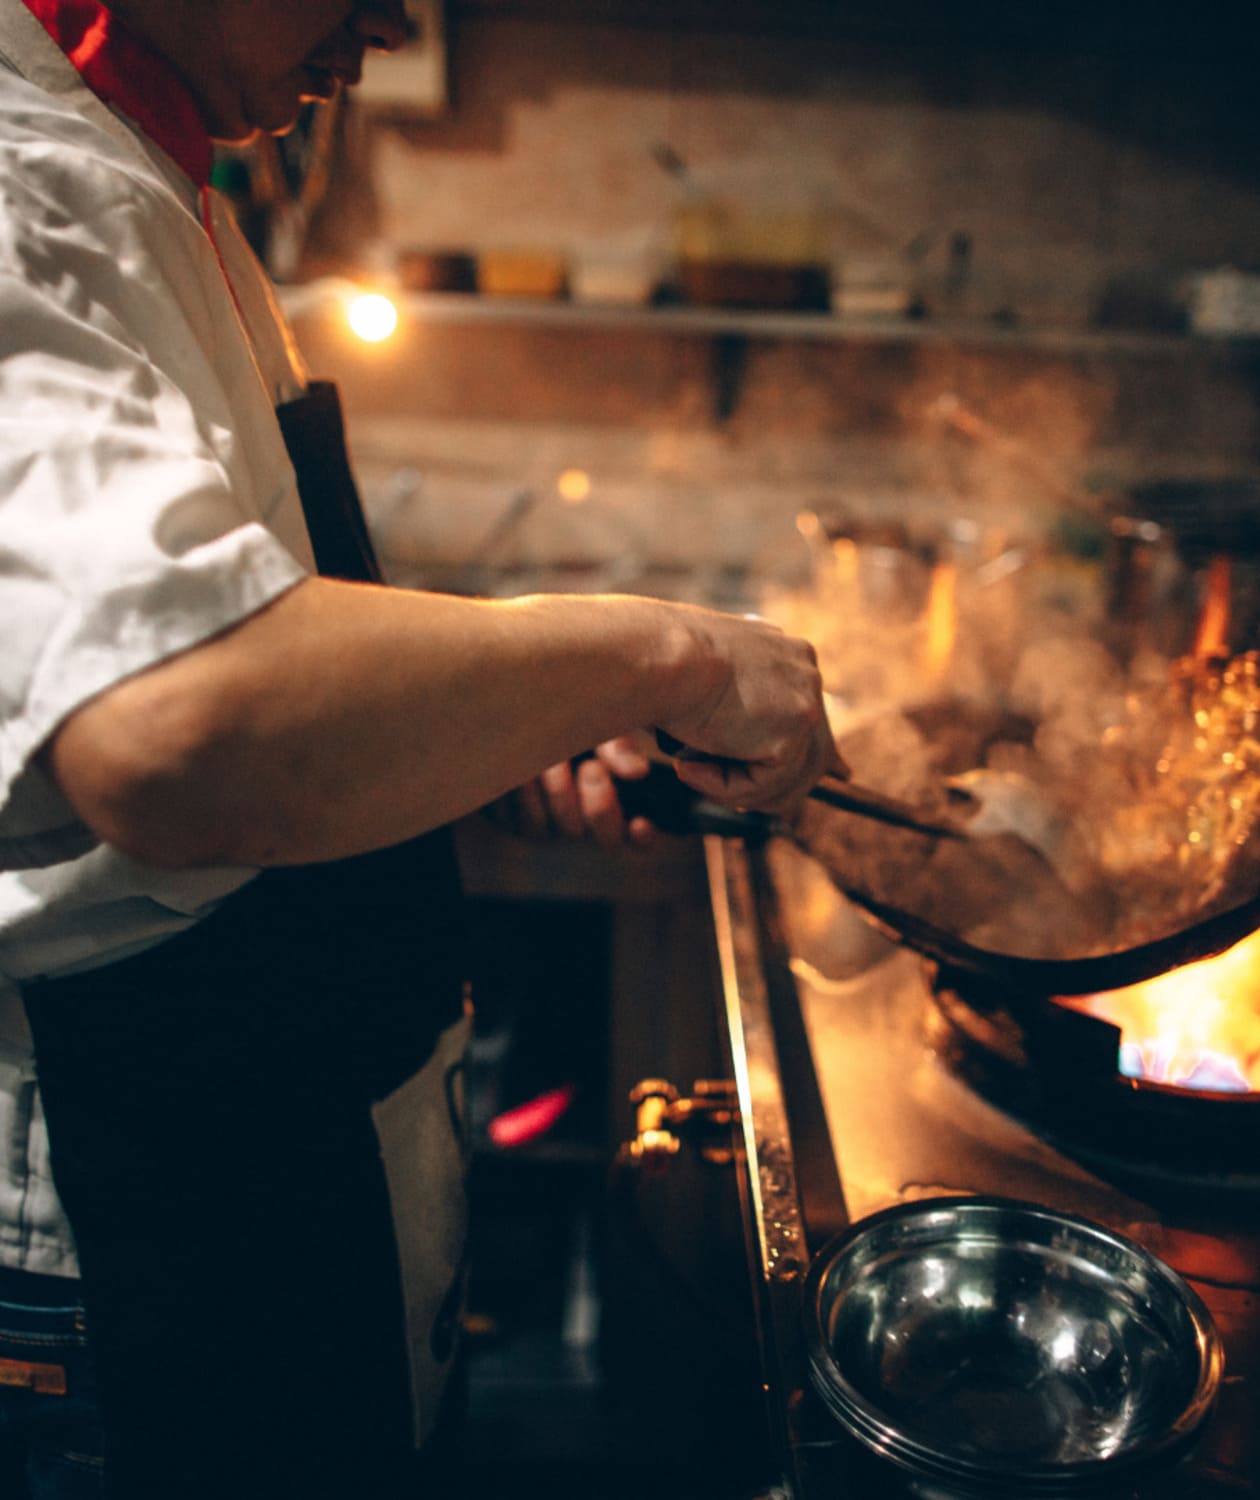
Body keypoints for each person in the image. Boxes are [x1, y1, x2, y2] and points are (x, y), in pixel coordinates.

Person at [0, 2, 844, 1496]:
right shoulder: (23, 174)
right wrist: (667, 652)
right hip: (129, 1226)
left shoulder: (154, 167)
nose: (393, 23)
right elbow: (178, 725)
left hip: (268, 1156)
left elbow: (253, 651)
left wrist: (494, 728)